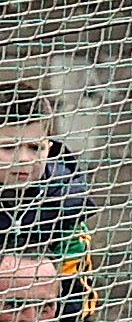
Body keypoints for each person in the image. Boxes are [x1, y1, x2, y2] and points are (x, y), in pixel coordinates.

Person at [0, 82, 94, 308]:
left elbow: (76, 291)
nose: (23, 159)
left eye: (34, 147)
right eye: (8, 148)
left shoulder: (64, 200)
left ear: (49, 148)